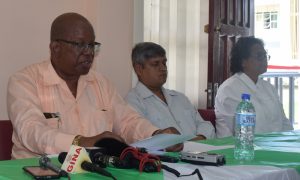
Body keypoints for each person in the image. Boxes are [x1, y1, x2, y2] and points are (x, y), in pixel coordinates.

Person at [7, 13, 182, 159]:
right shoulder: (24, 81)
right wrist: (81, 142)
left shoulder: (101, 83)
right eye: (80, 45)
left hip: (93, 170)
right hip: (38, 169)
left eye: (92, 45)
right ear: (55, 48)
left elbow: (128, 121)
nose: (89, 53)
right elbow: (31, 132)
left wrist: (156, 135)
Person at [125, 42, 216, 140]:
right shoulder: (132, 102)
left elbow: (205, 125)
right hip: (165, 155)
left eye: (164, 63)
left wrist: (200, 138)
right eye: (155, 64)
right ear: (139, 69)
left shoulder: (180, 97)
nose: (163, 68)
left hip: (199, 151)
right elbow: (139, 136)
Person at [214, 36, 293, 138]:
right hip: (240, 149)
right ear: (243, 61)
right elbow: (246, 131)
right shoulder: (229, 89)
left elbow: (284, 122)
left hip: (275, 146)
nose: (264, 59)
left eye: (265, 55)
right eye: (259, 56)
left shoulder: (269, 87)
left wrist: (290, 141)